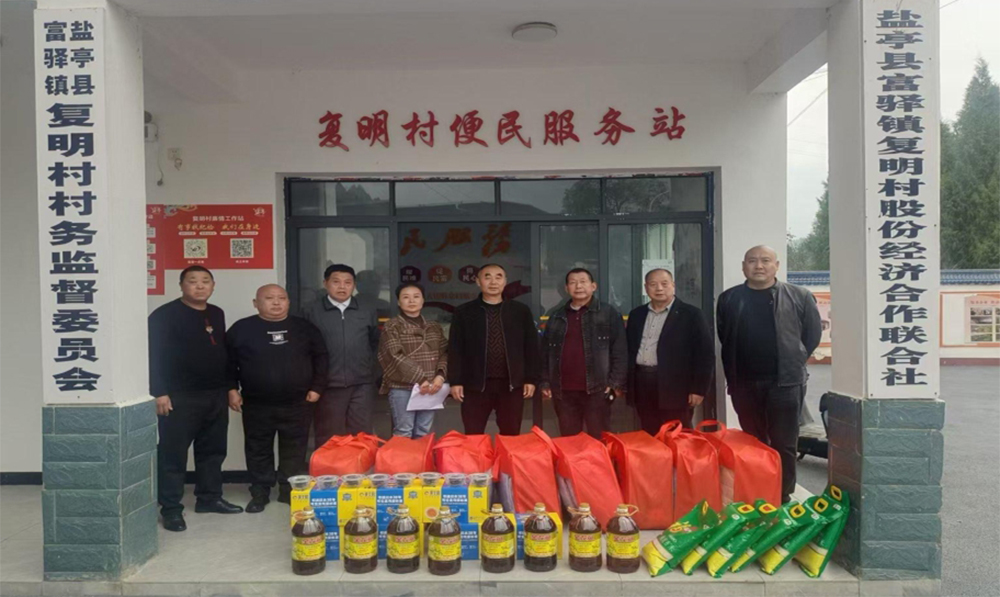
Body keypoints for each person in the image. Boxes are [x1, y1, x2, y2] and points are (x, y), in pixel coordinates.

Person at [717, 245, 822, 503]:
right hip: (744, 383)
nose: (759, 266)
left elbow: (811, 336)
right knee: (753, 440)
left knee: (784, 441)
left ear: (776, 265)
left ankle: (782, 494)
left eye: (765, 260)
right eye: (752, 261)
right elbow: (725, 336)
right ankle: (757, 490)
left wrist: (794, 359)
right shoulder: (729, 298)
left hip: (785, 383)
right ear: (744, 266)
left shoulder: (799, 296)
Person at [148, 266, 243, 532]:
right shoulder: (164, 315)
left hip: (214, 394)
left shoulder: (217, 313)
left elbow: (223, 353)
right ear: (181, 285)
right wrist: (159, 391)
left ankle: (209, 498)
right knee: (173, 454)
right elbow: (152, 355)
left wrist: (230, 387)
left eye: (205, 281)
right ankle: (170, 509)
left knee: (213, 451)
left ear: (213, 285)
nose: (200, 286)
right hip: (179, 396)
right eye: (193, 281)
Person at [226, 284, 328, 512]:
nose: (276, 302)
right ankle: (260, 492)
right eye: (269, 298)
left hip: (298, 402)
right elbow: (227, 363)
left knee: (295, 448)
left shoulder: (305, 328)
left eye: (281, 298)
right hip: (256, 403)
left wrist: (317, 387)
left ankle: (288, 490)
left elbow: (321, 358)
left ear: (288, 302)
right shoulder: (241, 329)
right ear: (256, 303)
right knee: (257, 448)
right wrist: (231, 389)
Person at [448, 264, 540, 436]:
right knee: (473, 435)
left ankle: (505, 456)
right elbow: (455, 349)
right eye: (487, 277)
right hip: (475, 385)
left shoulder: (520, 311)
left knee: (511, 435)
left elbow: (531, 347)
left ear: (505, 281)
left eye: (498, 277)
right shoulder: (464, 312)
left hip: (511, 386)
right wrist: (455, 381)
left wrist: (530, 379)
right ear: (478, 281)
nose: (493, 282)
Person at [540, 268, 627, 438]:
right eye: (573, 283)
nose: (578, 286)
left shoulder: (608, 313)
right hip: (563, 391)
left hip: (598, 389)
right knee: (570, 440)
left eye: (583, 282)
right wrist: (545, 382)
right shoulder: (556, 315)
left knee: (599, 439)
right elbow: (545, 352)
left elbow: (620, 351)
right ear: (566, 288)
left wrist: (615, 383)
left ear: (593, 286)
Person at [626, 268, 715, 433]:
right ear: (646, 288)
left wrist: (698, 389)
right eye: (653, 284)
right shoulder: (637, 314)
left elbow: (705, 355)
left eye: (664, 284)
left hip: (676, 387)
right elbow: (629, 350)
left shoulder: (691, 314)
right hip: (642, 383)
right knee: (649, 433)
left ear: (673, 285)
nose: (659, 288)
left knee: (678, 435)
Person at [303, 264, 380, 446]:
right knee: (329, 436)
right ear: (325, 283)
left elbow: (374, 343)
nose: (342, 287)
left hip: (362, 384)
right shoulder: (311, 310)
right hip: (328, 385)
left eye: (347, 282)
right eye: (336, 282)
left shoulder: (366, 309)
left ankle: (360, 466)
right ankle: (329, 466)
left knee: (362, 435)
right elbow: (305, 347)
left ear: (354, 285)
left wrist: (372, 373)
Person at [377, 283, 448, 438]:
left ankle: (421, 456)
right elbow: (394, 355)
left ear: (423, 300)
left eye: (416, 296)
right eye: (406, 297)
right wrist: (420, 379)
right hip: (402, 387)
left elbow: (444, 352)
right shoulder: (392, 326)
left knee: (424, 432)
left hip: (430, 387)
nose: (411, 301)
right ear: (398, 302)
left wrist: (440, 375)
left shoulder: (434, 326)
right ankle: (403, 457)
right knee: (404, 431)